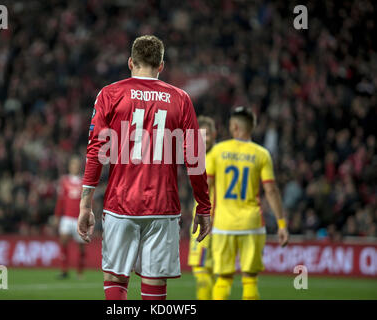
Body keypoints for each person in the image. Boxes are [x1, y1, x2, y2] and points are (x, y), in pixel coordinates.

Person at [77, 35, 211, 300]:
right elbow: (194, 157)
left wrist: (85, 203)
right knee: (154, 286)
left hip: (121, 204)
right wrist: (203, 206)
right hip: (163, 206)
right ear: (161, 65)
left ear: (130, 62)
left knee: (115, 279)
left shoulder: (110, 94)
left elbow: (96, 151)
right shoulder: (181, 99)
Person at [207, 106, 289, 300]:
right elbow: (270, 190)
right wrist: (282, 224)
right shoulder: (261, 154)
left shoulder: (217, 151)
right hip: (252, 224)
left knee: (223, 279)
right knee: (250, 279)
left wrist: (205, 218)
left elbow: (206, 187)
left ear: (234, 127)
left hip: (223, 224)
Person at [187, 116, 216, 300]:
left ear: (214, 135)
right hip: (217, 219)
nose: (203, 139)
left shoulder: (210, 159)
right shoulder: (204, 156)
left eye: (206, 135)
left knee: (201, 269)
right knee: (213, 271)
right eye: (200, 135)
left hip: (208, 218)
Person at [54, 155, 86, 279]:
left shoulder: (84, 181)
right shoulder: (64, 181)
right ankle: (64, 270)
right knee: (63, 242)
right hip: (66, 218)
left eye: (77, 164)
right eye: (73, 164)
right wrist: (57, 216)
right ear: (69, 166)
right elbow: (60, 200)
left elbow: (88, 200)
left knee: (81, 247)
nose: (75, 166)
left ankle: (79, 271)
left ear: (79, 166)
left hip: (79, 218)